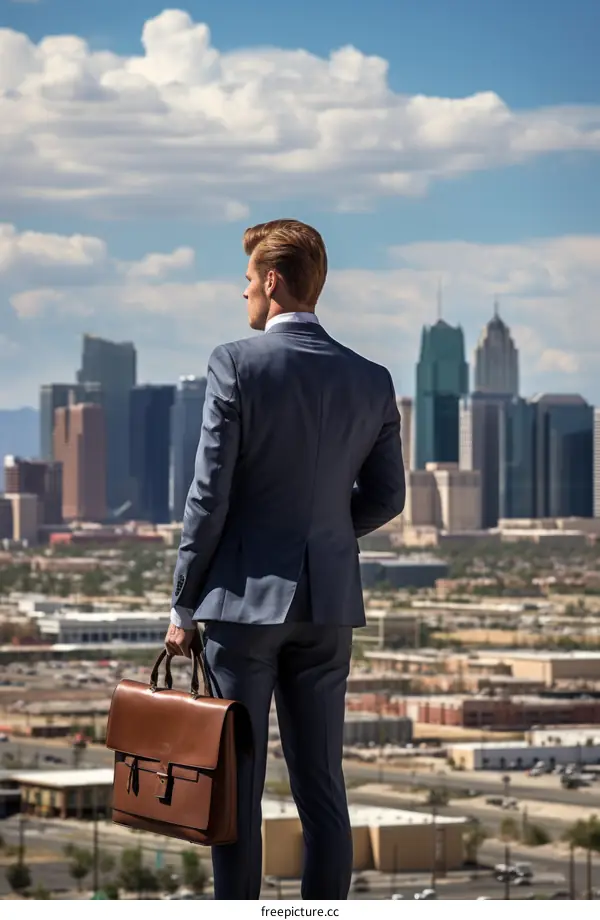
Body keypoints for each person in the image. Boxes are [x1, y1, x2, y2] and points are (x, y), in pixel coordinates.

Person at [164, 219, 405, 899]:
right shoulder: (372, 378)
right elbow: (388, 497)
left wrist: (185, 604)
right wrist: (325, 535)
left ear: (271, 282)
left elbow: (208, 494)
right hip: (328, 607)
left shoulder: (236, 363)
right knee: (323, 786)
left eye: (247, 281)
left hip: (243, 606)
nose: (243, 295)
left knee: (235, 784)